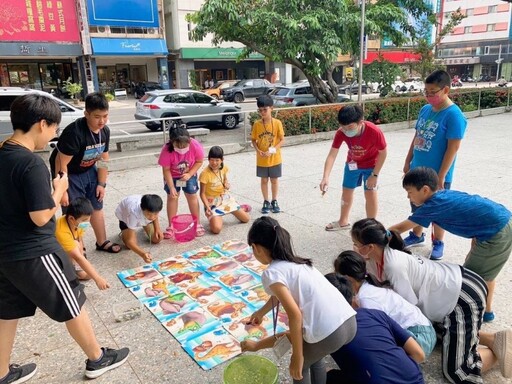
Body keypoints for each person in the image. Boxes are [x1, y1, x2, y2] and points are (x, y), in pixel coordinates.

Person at [0, 94, 129, 383]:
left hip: (5, 250)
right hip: (32, 249)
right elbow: (41, 216)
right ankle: (97, 358)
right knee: (73, 300)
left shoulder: (3, 150)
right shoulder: (29, 163)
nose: (53, 135)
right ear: (41, 124)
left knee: (6, 312)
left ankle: (2, 372)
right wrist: (59, 190)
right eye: (52, 128)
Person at [351, 217, 512, 383]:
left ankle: (501, 350)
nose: (353, 247)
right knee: (435, 333)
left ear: (370, 247)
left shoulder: (393, 265)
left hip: (463, 296)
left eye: (355, 243)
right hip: (451, 288)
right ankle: (492, 339)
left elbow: (409, 309)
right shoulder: (372, 260)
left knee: (457, 372)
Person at [240, 217, 356, 384]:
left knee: (299, 368)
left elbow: (295, 315)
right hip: (349, 322)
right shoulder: (299, 263)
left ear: (256, 248)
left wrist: (297, 355)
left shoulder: (271, 273)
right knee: (315, 355)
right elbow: (278, 296)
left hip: (329, 332)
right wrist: (261, 312)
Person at [389, 167, 512, 322]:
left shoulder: (432, 206)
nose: (408, 197)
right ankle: (486, 312)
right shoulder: (441, 195)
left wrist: (374, 233)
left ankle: (477, 314)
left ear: (425, 190)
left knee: (472, 279)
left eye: (410, 192)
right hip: (496, 220)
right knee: (483, 271)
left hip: (495, 231)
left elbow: (398, 229)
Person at [402, 69, 467, 260]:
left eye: (433, 92)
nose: (429, 96)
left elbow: (453, 148)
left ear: (446, 89)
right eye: (426, 92)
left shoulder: (454, 115)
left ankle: (438, 242)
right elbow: (417, 137)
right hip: (417, 168)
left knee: (437, 208)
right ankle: (416, 234)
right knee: (416, 203)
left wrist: (441, 176)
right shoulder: (425, 110)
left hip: (437, 174)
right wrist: (408, 161)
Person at [50, 92, 121, 254]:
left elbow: (104, 159)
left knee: (97, 204)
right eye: (97, 116)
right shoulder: (74, 133)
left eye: (105, 116)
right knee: (73, 212)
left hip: (89, 169)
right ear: (86, 113)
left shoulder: (105, 131)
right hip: (69, 172)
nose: (102, 121)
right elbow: (61, 163)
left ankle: (102, 242)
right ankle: (77, 249)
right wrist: (63, 191)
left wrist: (101, 183)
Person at [324, 273, 425, 384]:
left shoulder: (327, 328)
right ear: (352, 296)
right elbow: (418, 354)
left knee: (322, 373)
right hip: (415, 379)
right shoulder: (376, 314)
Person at [334, 250, 436, 358]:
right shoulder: (369, 286)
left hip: (419, 338)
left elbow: (377, 333)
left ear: (348, 279)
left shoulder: (366, 300)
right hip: (425, 329)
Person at [320, 104, 387, 231]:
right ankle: (343, 221)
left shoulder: (374, 131)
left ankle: (371, 225)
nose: (345, 130)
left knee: (370, 193)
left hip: (371, 166)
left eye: (349, 127)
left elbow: (383, 153)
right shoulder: (341, 133)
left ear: (360, 122)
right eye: (342, 127)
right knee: (346, 191)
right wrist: (325, 177)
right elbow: (332, 154)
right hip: (352, 164)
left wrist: (375, 175)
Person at [157, 125, 205, 238]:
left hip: (189, 174)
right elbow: (166, 170)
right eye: (178, 146)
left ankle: (197, 223)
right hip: (172, 176)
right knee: (172, 197)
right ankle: (171, 225)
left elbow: (199, 161)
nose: (182, 148)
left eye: (185, 145)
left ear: (189, 140)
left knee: (192, 196)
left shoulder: (195, 145)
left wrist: (189, 174)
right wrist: (172, 187)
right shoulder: (166, 150)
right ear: (172, 143)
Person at [55, 197, 109, 290]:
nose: (87, 222)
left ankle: (73, 270)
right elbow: (78, 256)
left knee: (88, 274)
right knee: (76, 247)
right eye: (84, 220)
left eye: (89, 218)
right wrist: (98, 279)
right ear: (72, 218)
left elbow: (79, 238)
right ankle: (66, 271)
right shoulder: (61, 231)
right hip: (56, 256)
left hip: (69, 252)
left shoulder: (76, 222)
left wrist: (82, 254)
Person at [198, 146, 250, 234]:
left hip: (225, 198)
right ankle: (219, 215)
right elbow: (202, 193)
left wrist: (226, 183)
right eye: (212, 160)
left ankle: (239, 208)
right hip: (212, 202)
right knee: (216, 229)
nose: (214, 163)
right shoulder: (204, 174)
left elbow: (225, 179)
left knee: (246, 219)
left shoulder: (224, 167)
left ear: (222, 160)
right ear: (208, 159)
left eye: (217, 160)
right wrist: (207, 207)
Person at [251, 95, 285, 214]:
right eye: (260, 110)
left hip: (275, 158)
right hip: (261, 159)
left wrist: (272, 150)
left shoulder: (277, 123)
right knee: (264, 180)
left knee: (274, 180)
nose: (262, 112)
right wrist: (258, 150)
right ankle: (266, 201)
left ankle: (274, 200)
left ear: (272, 108)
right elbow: (253, 140)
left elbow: (282, 139)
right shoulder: (256, 124)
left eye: (265, 109)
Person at [115, 194, 164, 263]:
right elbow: (130, 243)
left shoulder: (153, 207)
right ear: (142, 209)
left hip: (142, 217)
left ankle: (144, 223)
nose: (152, 217)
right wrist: (143, 254)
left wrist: (157, 229)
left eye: (155, 214)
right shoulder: (132, 214)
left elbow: (154, 213)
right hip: (125, 217)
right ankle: (124, 231)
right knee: (129, 246)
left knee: (157, 238)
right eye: (149, 214)